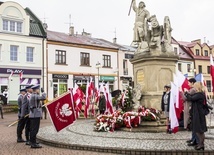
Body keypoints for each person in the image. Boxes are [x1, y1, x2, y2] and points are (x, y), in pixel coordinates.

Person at [185, 82, 207, 151]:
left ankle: (201, 144)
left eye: (195, 86)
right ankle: (200, 144)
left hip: (199, 114)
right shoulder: (198, 94)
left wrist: (186, 92)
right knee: (197, 130)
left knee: (200, 130)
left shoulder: (200, 94)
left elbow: (191, 98)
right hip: (197, 113)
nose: (194, 87)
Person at [181, 78, 199, 147]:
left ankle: (196, 140)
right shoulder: (192, 90)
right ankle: (193, 139)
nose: (188, 84)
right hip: (190, 109)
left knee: (193, 125)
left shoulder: (193, 90)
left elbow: (186, 98)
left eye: (189, 82)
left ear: (192, 83)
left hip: (191, 109)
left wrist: (182, 92)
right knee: (192, 125)